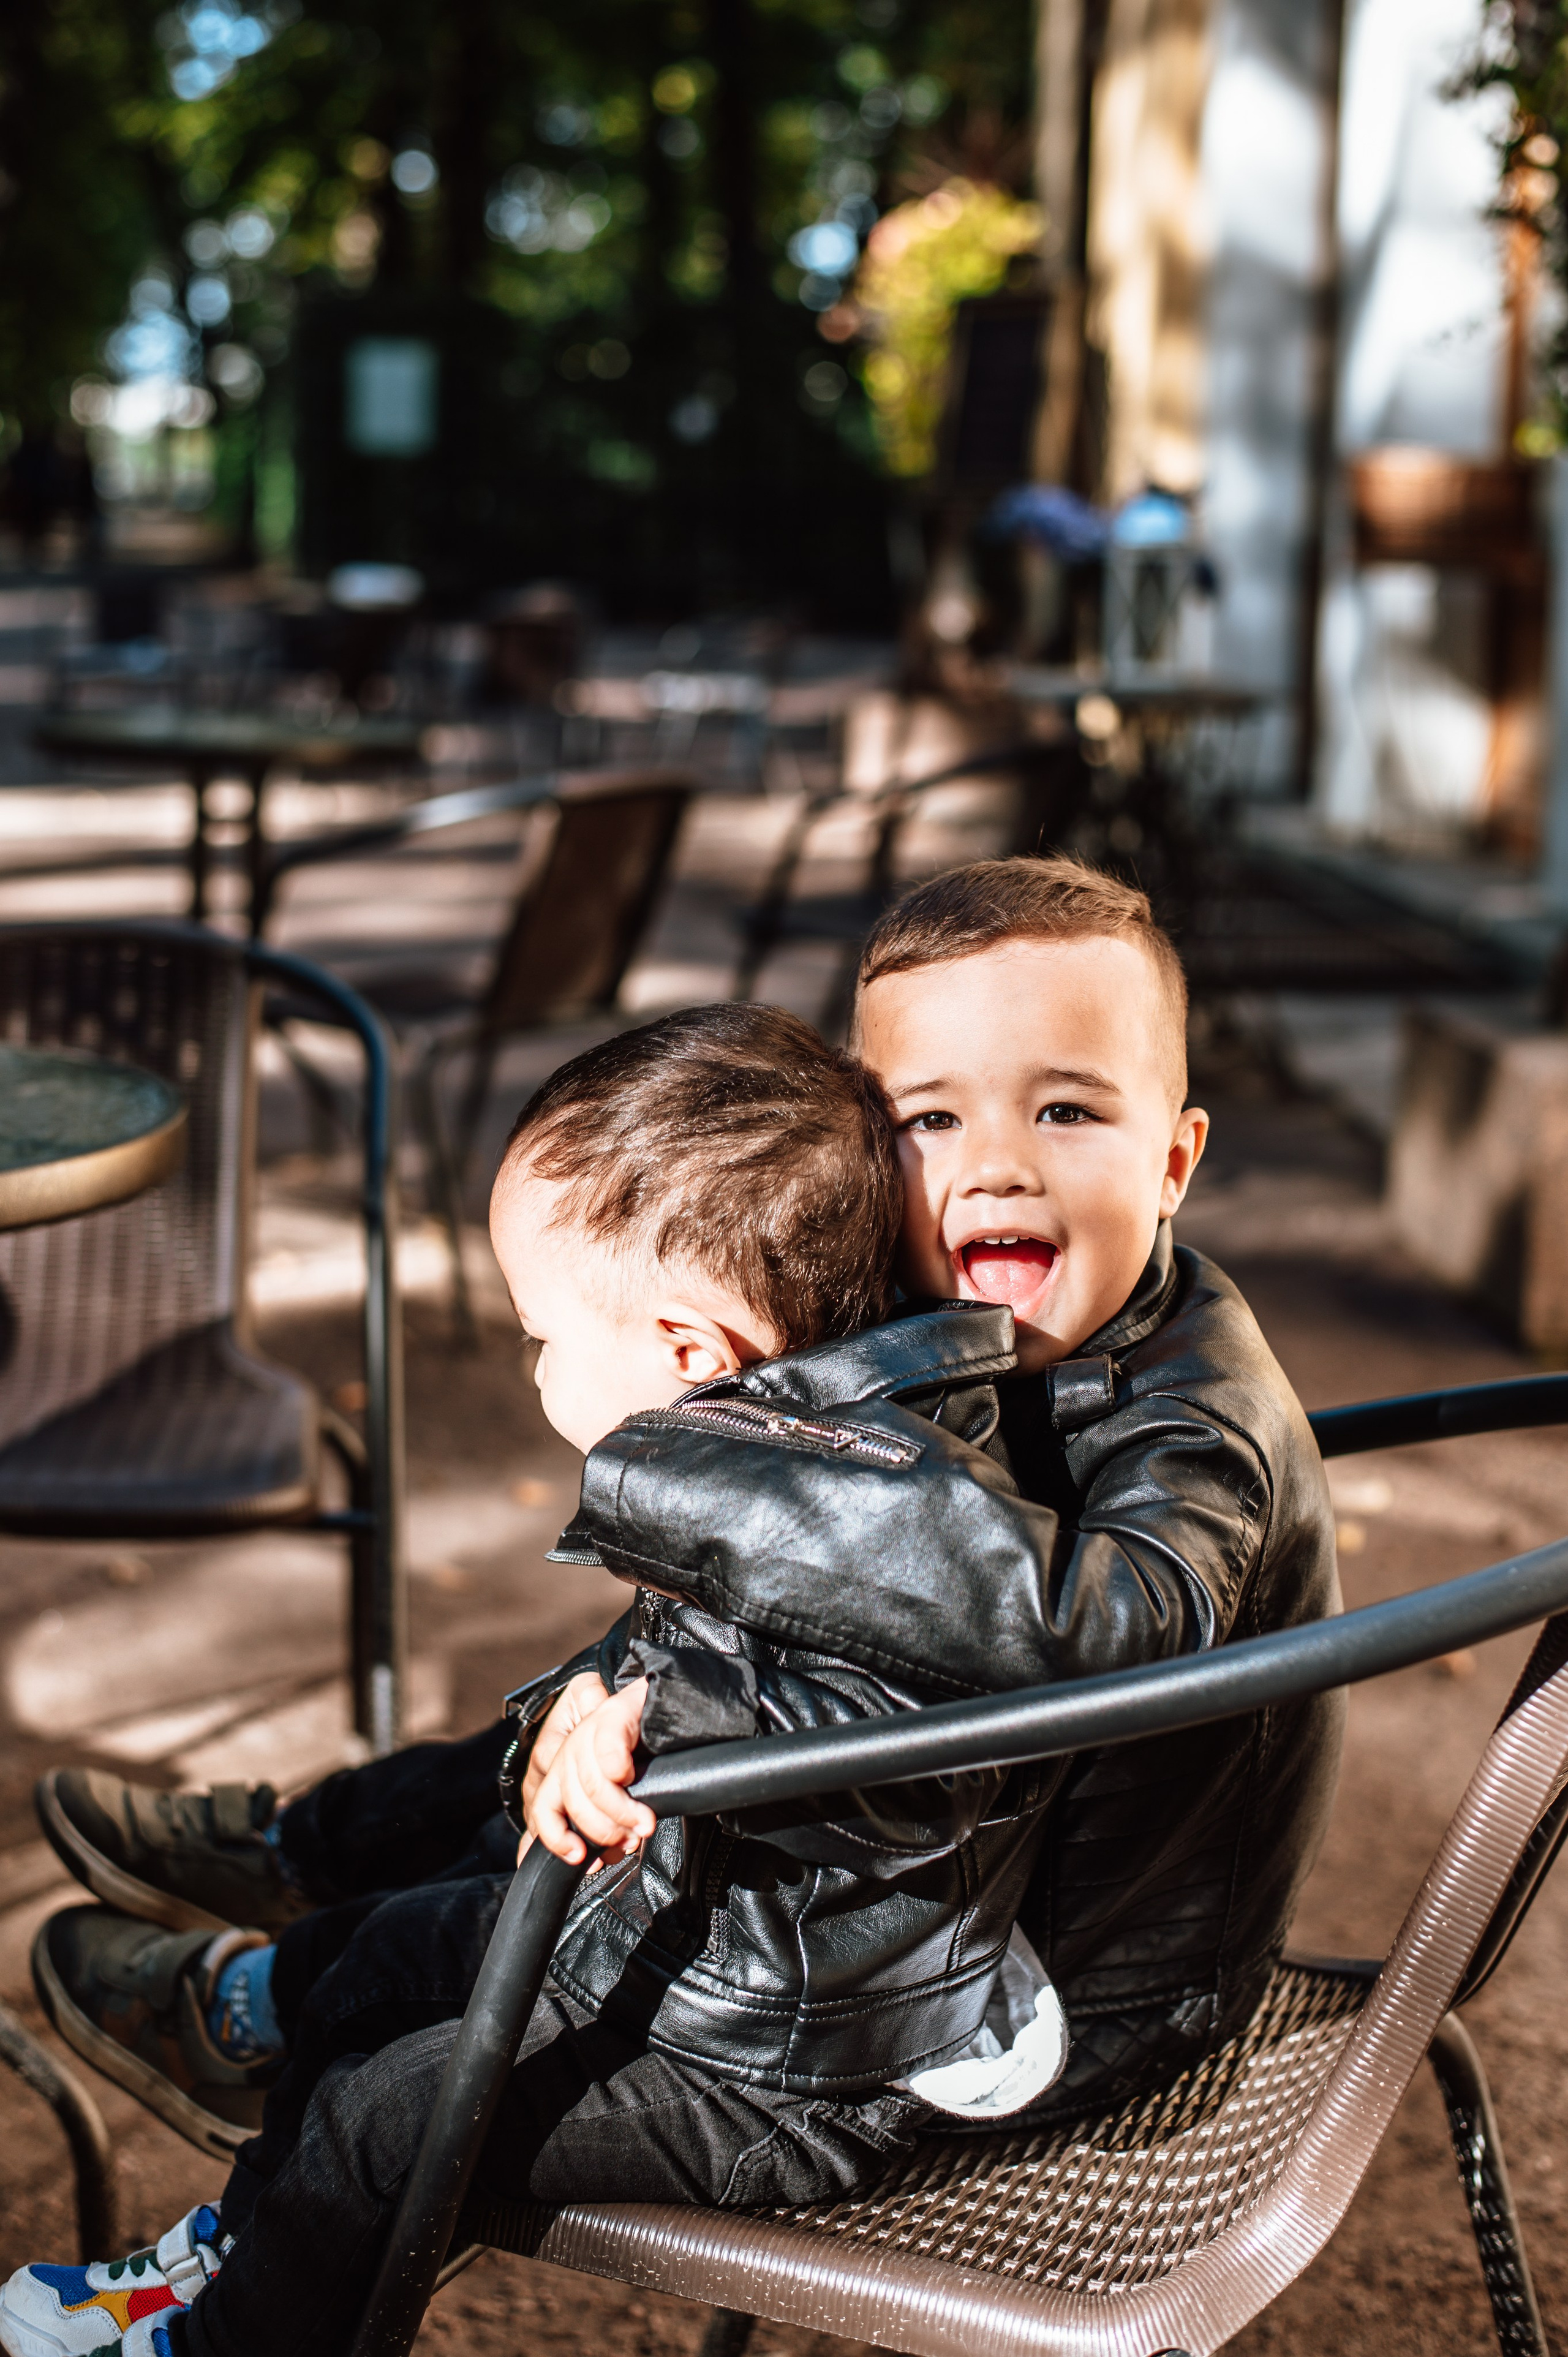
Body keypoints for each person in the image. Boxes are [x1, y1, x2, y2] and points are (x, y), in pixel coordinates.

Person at [14, 854, 1343, 2348]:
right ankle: (284, 1913)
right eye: (927, 1119)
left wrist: (674, 1672)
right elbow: (801, 1615)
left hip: (1034, 1991)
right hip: (870, 1921)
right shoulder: (959, 1333)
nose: (994, 1166)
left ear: (1172, 1159)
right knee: (533, 1776)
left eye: (1066, 1110)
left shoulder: (1196, 1430)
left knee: (422, 2064)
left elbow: (1109, 1638)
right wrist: (628, 1690)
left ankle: (273, 2015)